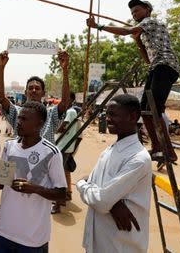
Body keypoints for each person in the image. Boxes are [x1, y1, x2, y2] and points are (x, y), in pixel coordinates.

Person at [87, 0, 180, 164]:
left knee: (154, 110)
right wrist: (137, 39)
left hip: (165, 66)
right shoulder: (144, 31)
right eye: (132, 13)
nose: (134, 14)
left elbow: (125, 31)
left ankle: (168, 152)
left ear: (147, 10)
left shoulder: (150, 21)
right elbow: (146, 60)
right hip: (156, 67)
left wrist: (98, 27)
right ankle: (158, 147)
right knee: (145, 110)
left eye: (137, 11)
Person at [0, 101, 67, 252]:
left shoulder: (51, 153)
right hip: (3, 232)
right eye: (19, 118)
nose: (19, 122)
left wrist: (35, 189)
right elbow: (2, 183)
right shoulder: (10, 146)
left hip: (32, 240)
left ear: (39, 124)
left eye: (25, 119)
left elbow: (62, 194)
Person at [76, 94, 152, 253]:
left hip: (120, 246)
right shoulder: (110, 150)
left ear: (132, 117)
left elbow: (102, 201)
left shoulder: (138, 158)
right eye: (106, 113)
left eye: (113, 114)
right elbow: (102, 193)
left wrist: (81, 184)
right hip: (98, 241)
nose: (107, 118)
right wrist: (113, 203)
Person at [0, 50, 70, 144]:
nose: (33, 90)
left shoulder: (51, 114)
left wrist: (65, 70)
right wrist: (1, 67)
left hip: (45, 158)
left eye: (37, 88)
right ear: (25, 92)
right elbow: (1, 98)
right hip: (18, 157)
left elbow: (64, 103)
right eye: (30, 88)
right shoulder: (17, 112)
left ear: (43, 93)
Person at [52, 92, 82, 214]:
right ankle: (64, 196)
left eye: (65, 98)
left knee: (57, 174)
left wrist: (56, 128)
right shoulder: (72, 112)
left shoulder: (70, 112)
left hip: (63, 146)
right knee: (63, 172)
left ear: (71, 100)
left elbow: (63, 127)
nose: (63, 100)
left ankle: (59, 202)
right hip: (65, 146)